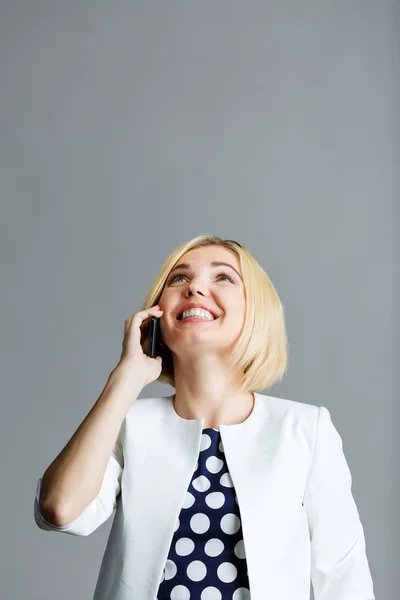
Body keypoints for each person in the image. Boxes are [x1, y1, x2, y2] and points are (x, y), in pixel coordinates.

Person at [34, 235, 375, 599]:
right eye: (178, 278)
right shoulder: (128, 423)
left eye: (223, 277)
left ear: (256, 311)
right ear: (157, 315)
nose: (194, 286)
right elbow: (61, 509)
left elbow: (345, 578)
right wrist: (125, 379)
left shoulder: (306, 430)